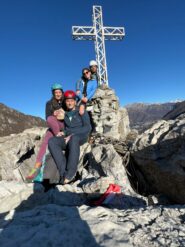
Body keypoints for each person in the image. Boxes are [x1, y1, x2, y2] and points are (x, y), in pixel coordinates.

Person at [48, 90, 92, 184]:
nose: (69, 102)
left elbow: (88, 127)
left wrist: (71, 133)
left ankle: (71, 173)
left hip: (80, 137)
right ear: (65, 102)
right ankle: (63, 173)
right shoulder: (65, 115)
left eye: (72, 100)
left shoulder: (81, 111)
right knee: (52, 141)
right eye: (67, 100)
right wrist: (63, 132)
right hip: (68, 137)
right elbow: (64, 127)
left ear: (75, 102)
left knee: (74, 138)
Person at [26, 83, 65, 182]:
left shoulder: (66, 101)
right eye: (56, 92)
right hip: (54, 127)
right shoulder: (49, 103)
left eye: (59, 92)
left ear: (62, 92)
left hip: (64, 125)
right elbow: (47, 117)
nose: (58, 94)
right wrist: (55, 114)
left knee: (52, 120)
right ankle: (36, 167)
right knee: (45, 143)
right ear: (53, 93)